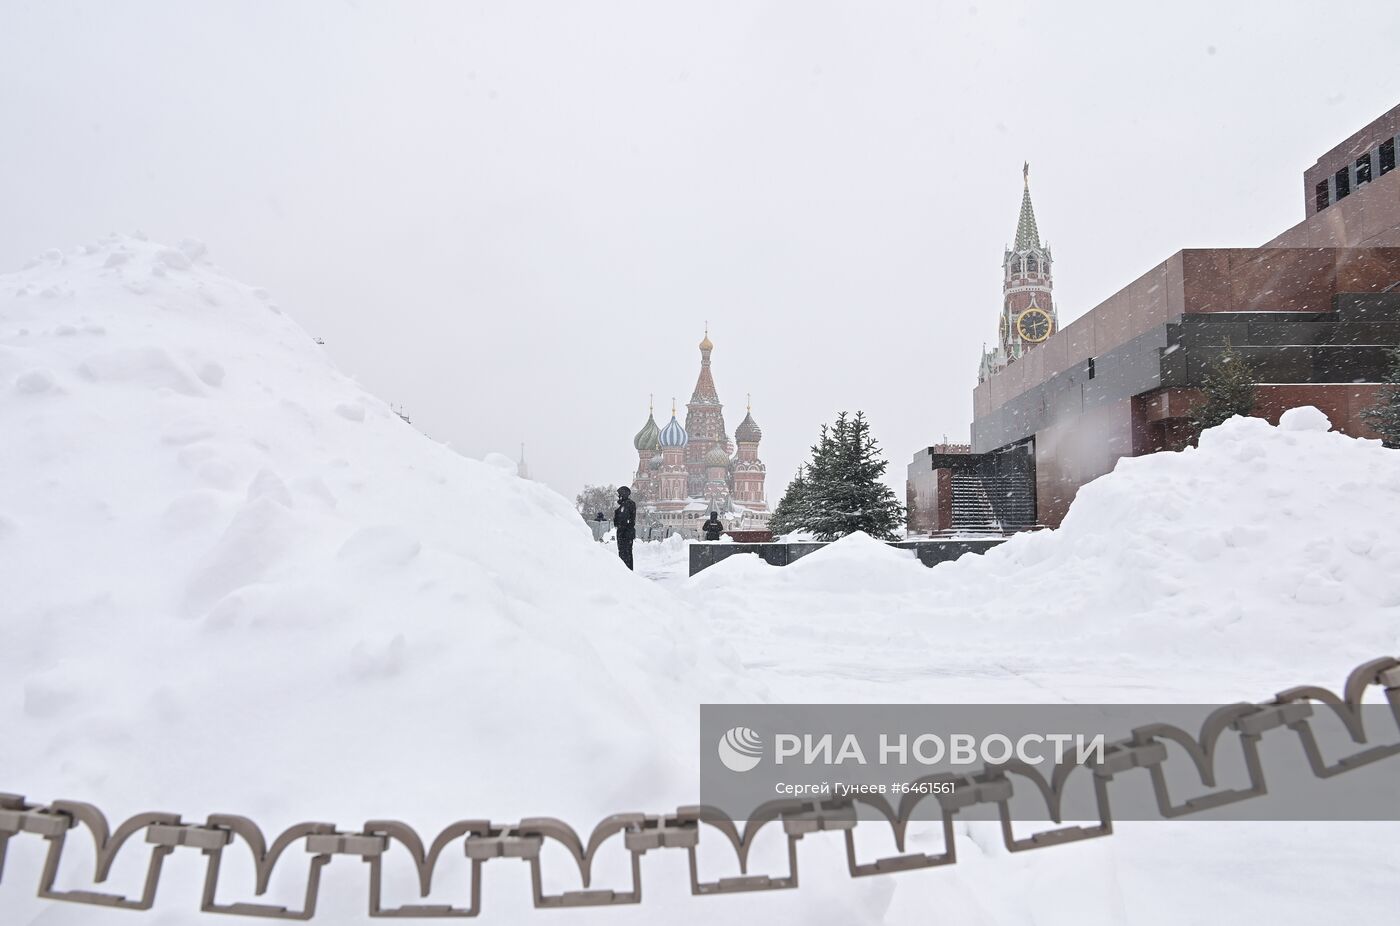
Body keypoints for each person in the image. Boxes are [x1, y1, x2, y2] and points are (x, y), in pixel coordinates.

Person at [613, 486, 637, 570]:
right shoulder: (624, 504)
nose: (618, 497)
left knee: (625, 555)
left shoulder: (627, 504)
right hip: (625, 533)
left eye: (619, 494)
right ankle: (627, 572)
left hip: (625, 534)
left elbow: (622, 520)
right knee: (626, 554)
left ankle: (627, 573)